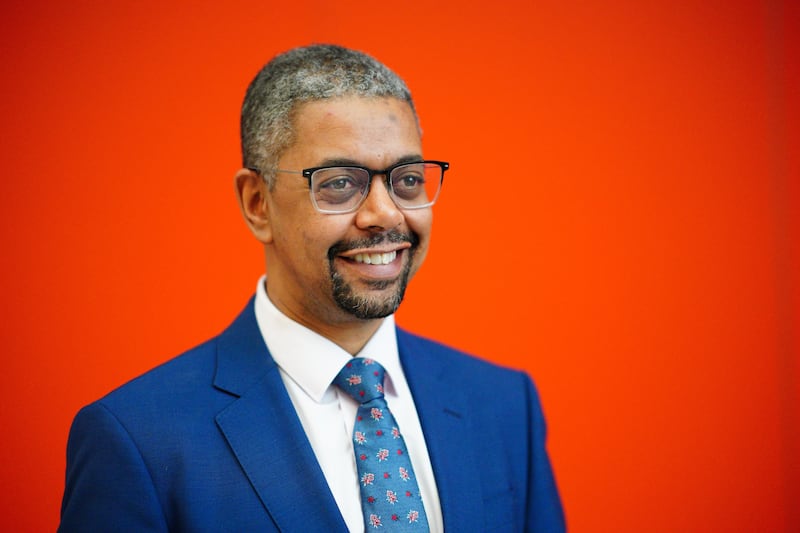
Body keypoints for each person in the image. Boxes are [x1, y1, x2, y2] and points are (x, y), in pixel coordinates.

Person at [58, 44, 565, 532]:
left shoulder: (503, 405)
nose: (386, 214)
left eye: (407, 179)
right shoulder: (139, 441)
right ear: (258, 202)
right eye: (340, 182)